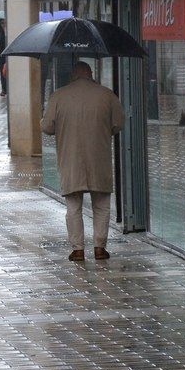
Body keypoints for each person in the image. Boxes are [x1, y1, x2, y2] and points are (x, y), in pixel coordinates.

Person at [41, 61, 124, 262]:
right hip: (99, 158)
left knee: (73, 206)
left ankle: (77, 249)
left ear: (73, 76)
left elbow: (47, 127)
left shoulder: (58, 96)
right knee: (102, 205)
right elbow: (118, 124)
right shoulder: (107, 95)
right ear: (90, 74)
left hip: (71, 159)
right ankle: (99, 247)